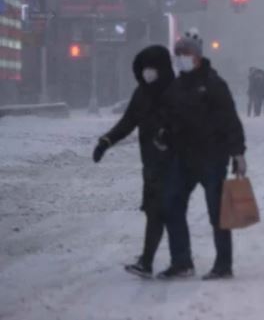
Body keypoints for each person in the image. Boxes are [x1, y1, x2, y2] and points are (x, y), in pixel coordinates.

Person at [159, 33, 247, 281]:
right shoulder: (176, 87)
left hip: (212, 158)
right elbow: (168, 119)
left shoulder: (213, 84)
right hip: (182, 158)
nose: (181, 59)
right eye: (178, 54)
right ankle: (181, 261)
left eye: (185, 54)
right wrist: (164, 135)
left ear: (197, 57)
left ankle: (223, 264)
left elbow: (230, 120)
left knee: (217, 213)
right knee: (172, 206)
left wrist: (238, 152)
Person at [92, 45, 175, 278]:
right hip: (150, 163)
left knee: (159, 212)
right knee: (156, 212)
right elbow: (128, 121)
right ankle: (169, 260)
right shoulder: (142, 93)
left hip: (172, 163)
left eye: (152, 68)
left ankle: (151, 261)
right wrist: (106, 141)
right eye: (145, 68)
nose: (148, 73)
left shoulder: (175, 92)